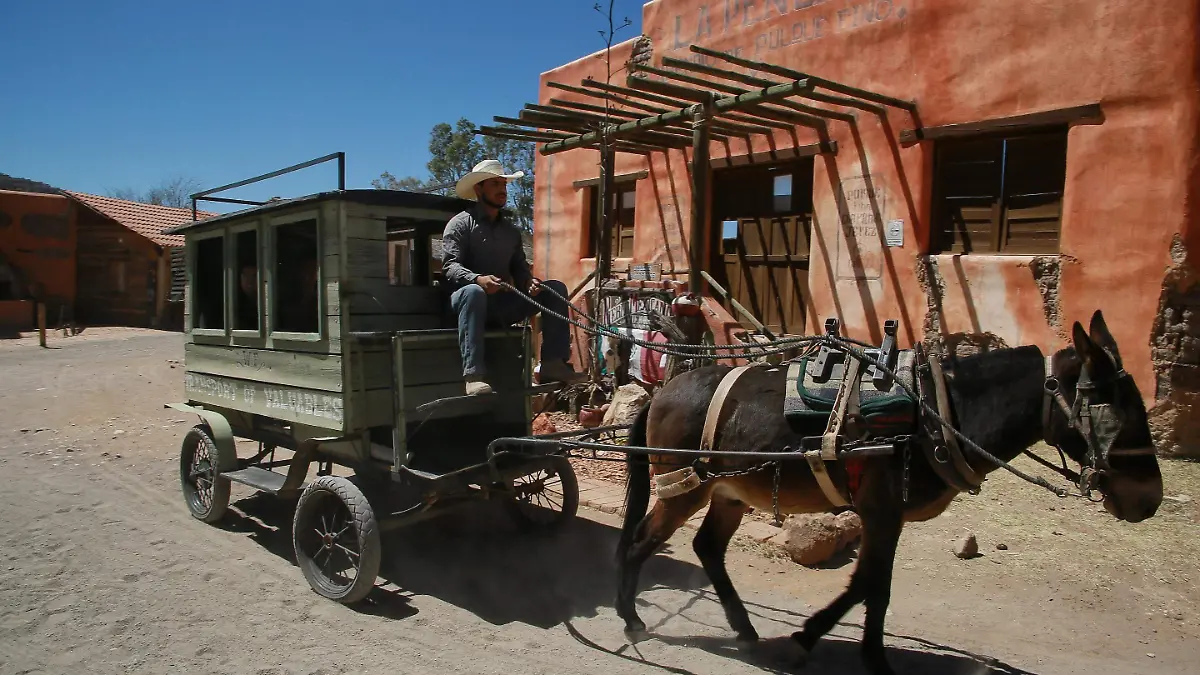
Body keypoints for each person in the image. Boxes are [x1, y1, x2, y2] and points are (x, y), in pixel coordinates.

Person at [443, 159, 585, 395]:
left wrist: (529, 282)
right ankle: (473, 376)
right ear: (479, 189)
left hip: (500, 305)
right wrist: (478, 279)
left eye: (504, 185)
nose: (502, 190)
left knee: (555, 289)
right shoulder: (460, 225)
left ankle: (552, 363)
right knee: (474, 292)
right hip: (465, 305)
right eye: (495, 184)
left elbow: (519, 267)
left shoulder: (510, 232)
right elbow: (449, 267)